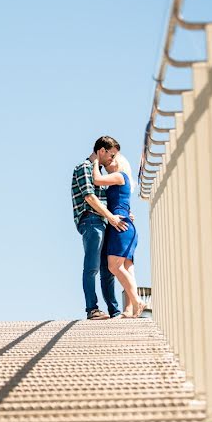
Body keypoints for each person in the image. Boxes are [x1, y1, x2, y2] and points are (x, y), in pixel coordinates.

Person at [71, 136, 128, 320]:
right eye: (111, 155)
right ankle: (92, 309)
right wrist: (110, 216)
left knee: (107, 269)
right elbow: (90, 197)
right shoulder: (84, 168)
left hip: (102, 222)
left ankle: (115, 311)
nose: (112, 159)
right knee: (92, 266)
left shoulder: (99, 172)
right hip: (91, 221)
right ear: (101, 151)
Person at [92, 152, 146, 317]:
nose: (109, 161)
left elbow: (96, 180)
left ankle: (137, 302)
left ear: (120, 162)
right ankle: (129, 310)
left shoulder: (121, 176)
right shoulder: (121, 181)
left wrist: (95, 162)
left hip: (120, 227)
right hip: (126, 226)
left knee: (114, 266)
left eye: (112, 158)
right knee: (127, 269)